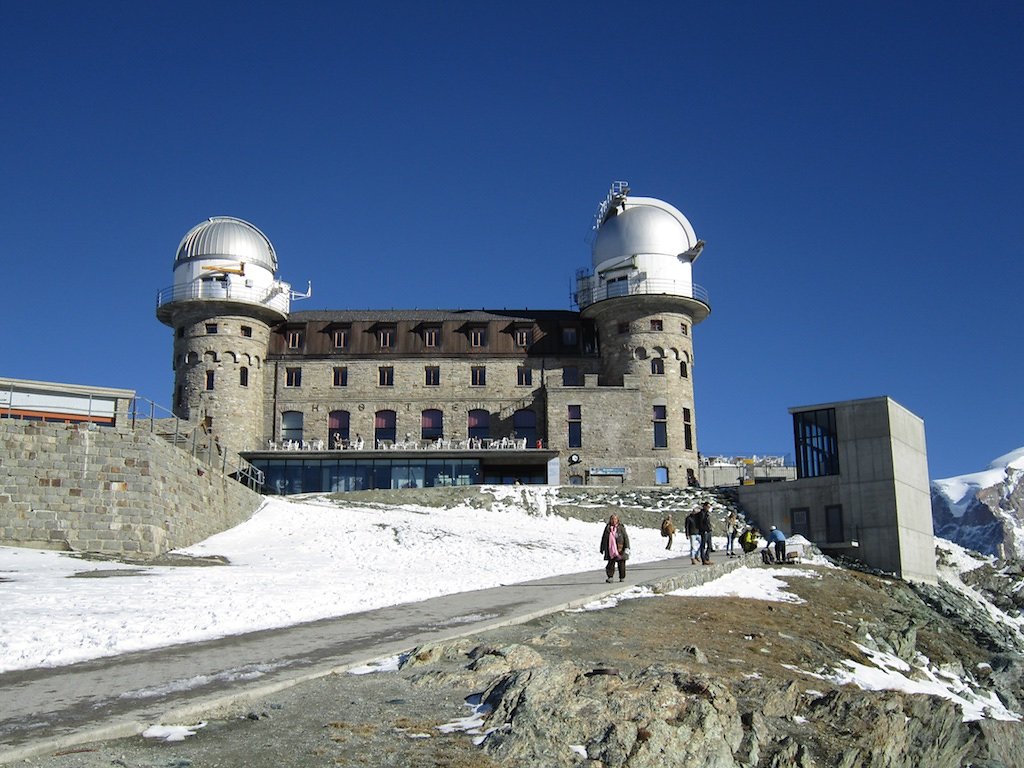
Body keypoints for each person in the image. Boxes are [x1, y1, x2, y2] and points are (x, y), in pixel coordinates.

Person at [599, 514, 630, 583]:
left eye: (615, 519)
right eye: (612, 519)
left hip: (620, 548)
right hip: (610, 549)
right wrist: (602, 548)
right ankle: (610, 577)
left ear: (618, 520)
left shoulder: (621, 528)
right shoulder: (607, 528)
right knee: (610, 564)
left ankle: (622, 577)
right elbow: (604, 538)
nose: (613, 521)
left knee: (621, 564)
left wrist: (627, 547)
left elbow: (626, 538)